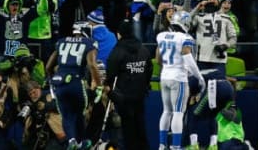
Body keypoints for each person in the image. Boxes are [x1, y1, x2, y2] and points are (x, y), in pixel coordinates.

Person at [45, 21, 102, 150]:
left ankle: (72, 140)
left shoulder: (61, 41)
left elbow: (48, 66)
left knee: (67, 115)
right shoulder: (89, 43)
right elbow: (92, 65)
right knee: (79, 112)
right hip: (76, 82)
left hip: (59, 82)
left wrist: (50, 79)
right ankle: (81, 141)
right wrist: (98, 86)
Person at [157, 11, 205, 150]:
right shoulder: (185, 38)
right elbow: (188, 59)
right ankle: (175, 146)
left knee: (166, 111)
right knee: (178, 112)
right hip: (178, 78)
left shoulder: (161, 35)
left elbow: (159, 58)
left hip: (164, 75)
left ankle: (162, 144)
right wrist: (199, 77)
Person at [106, 19, 153, 150]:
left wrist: (110, 93)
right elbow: (149, 69)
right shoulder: (143, 49)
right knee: (140, 128)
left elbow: (110, 74)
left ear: (120, 33)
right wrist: (145, 85)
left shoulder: (118, 51)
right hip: (140, 96)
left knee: (128, 131)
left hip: (124, 98)